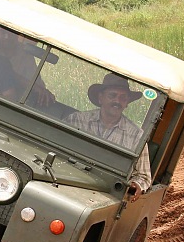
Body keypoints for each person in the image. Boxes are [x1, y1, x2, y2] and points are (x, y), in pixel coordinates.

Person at [64, 73, 151, 202]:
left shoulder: (136, 135)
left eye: (122, 98)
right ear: (101, 98)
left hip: (108, 196)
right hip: (68, 183)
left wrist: (136, 185)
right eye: (112, 95)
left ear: (127, 103)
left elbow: (143, 176)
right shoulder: (76, 120)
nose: (117, 101)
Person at [0, 25, 55, 106]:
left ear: (18, 34)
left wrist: (42, 91)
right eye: (2, 32)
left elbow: (36, 84)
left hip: (12, 102)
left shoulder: (25, 54)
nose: (7, 37)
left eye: (11, 33)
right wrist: (35, 87)